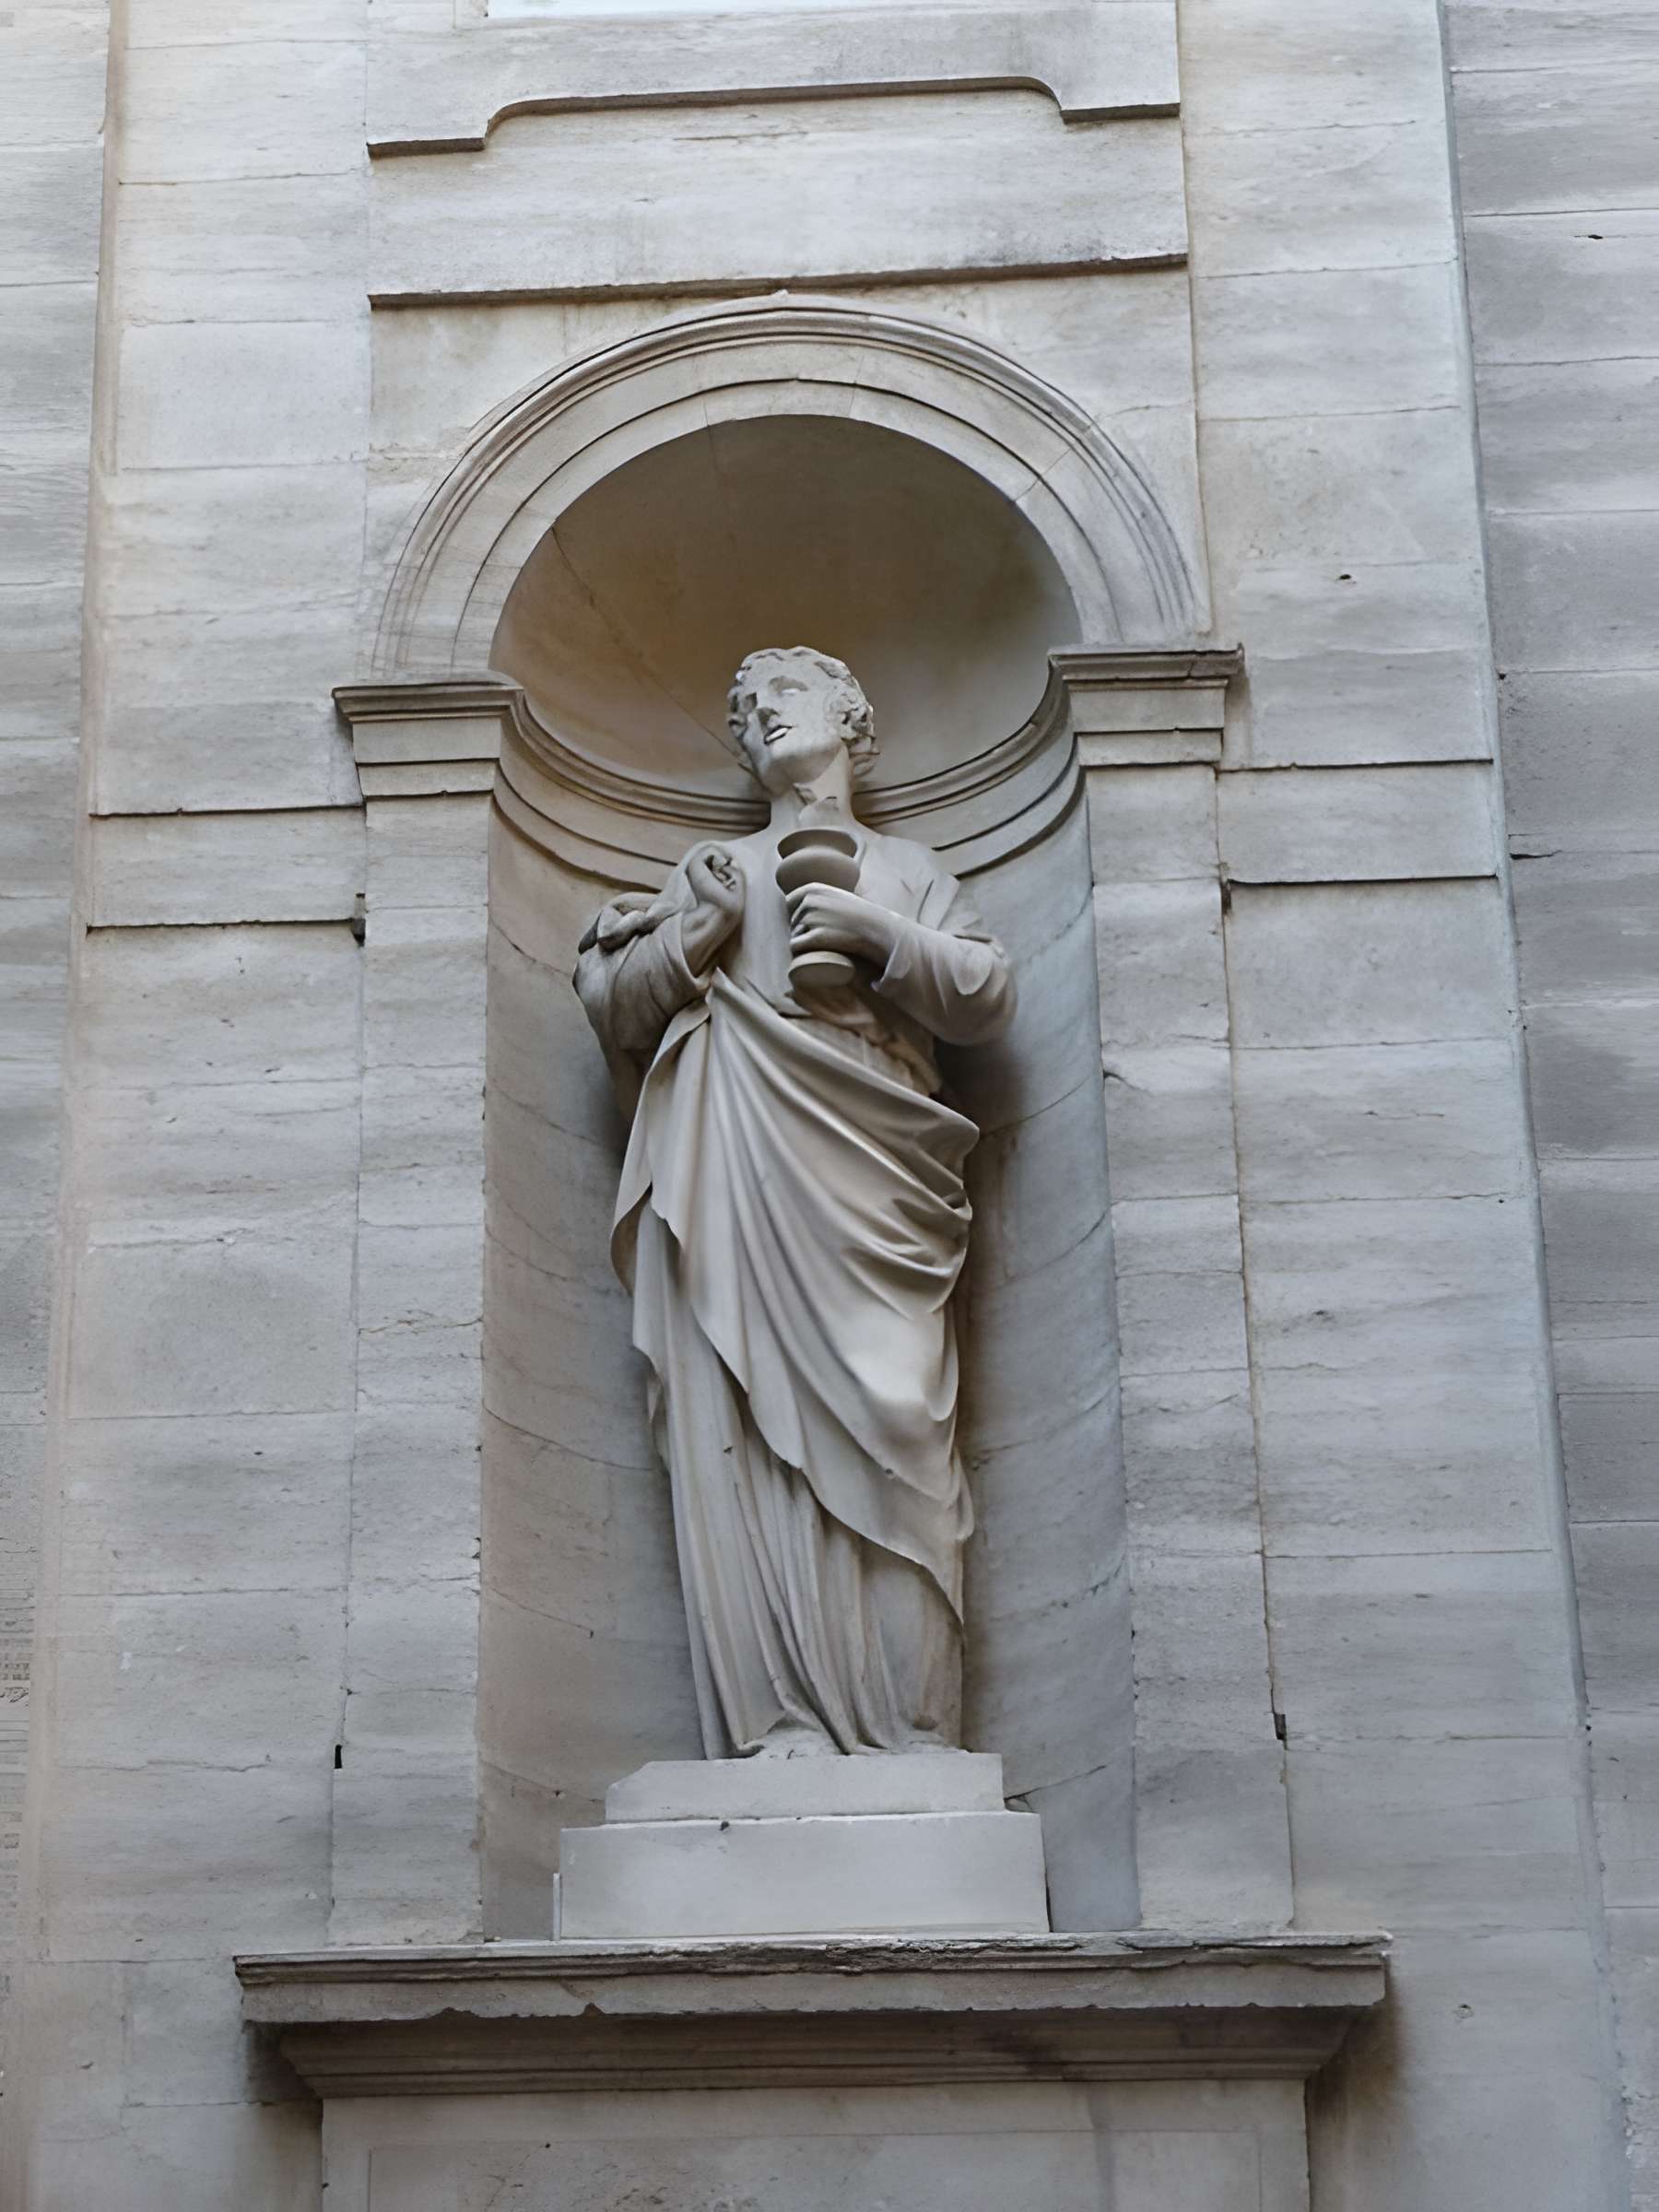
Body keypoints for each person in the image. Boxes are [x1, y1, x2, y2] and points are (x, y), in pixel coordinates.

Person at [575, 646, 1015, 1758]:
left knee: (895, 1415)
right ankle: (776, 1717)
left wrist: (880, 938)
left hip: (874, 1166)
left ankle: (911, 1727)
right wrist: (696, 936)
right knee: (744, 1420)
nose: (763, 714)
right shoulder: (712, 868)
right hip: (735, 1156)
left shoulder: (908, 869)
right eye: (744, 708)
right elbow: (621, 1009)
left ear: (852, 717)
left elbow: (985, 992)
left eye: (789, 694)